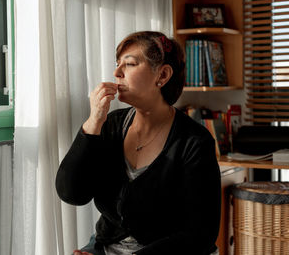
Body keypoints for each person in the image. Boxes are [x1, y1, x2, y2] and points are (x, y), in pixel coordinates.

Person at [56, 31, 221, 255]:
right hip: (106, 246)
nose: (116, 73)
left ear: (162, 75)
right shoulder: (110, 125)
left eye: (130, 64)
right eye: (117, 64)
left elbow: (200, 234)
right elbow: (72, 194)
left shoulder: (194, 142)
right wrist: (93, 122)